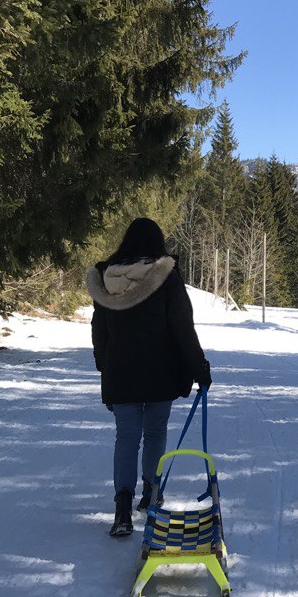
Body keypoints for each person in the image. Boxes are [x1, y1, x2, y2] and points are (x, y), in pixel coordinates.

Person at [86, 217, 211, 538]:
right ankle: (152, 494)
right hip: (161, 371)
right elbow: (182, 326)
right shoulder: (165, 276)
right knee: (155, 433)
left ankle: (122, 510)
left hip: (121, 371)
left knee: (126, 438)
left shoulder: (105, 278)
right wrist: (199, 368)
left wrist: (105, 366)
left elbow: (99, 330)